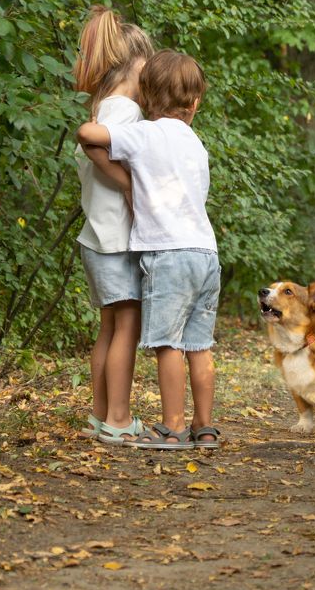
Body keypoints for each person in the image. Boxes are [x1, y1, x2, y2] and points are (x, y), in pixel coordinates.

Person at [77, 49, 221, 451]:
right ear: (195, 103)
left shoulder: (144, 134)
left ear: (144, 98)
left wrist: (124, 179)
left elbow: (89, 136)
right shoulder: (196, 144)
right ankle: (204, 427)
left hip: (168, 255)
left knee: (167, 344)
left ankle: (173, 426)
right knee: (199, 346)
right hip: (206, 254)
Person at [74, 5, 154, 445]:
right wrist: (132, 188)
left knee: (110, 326)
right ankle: (119, 421)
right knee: (128, 326)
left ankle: (102, 415)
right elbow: (95, 151)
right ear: (134, 67)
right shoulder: (124, 110)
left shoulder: (105, 106)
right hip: (116, 239)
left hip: (98, 236)